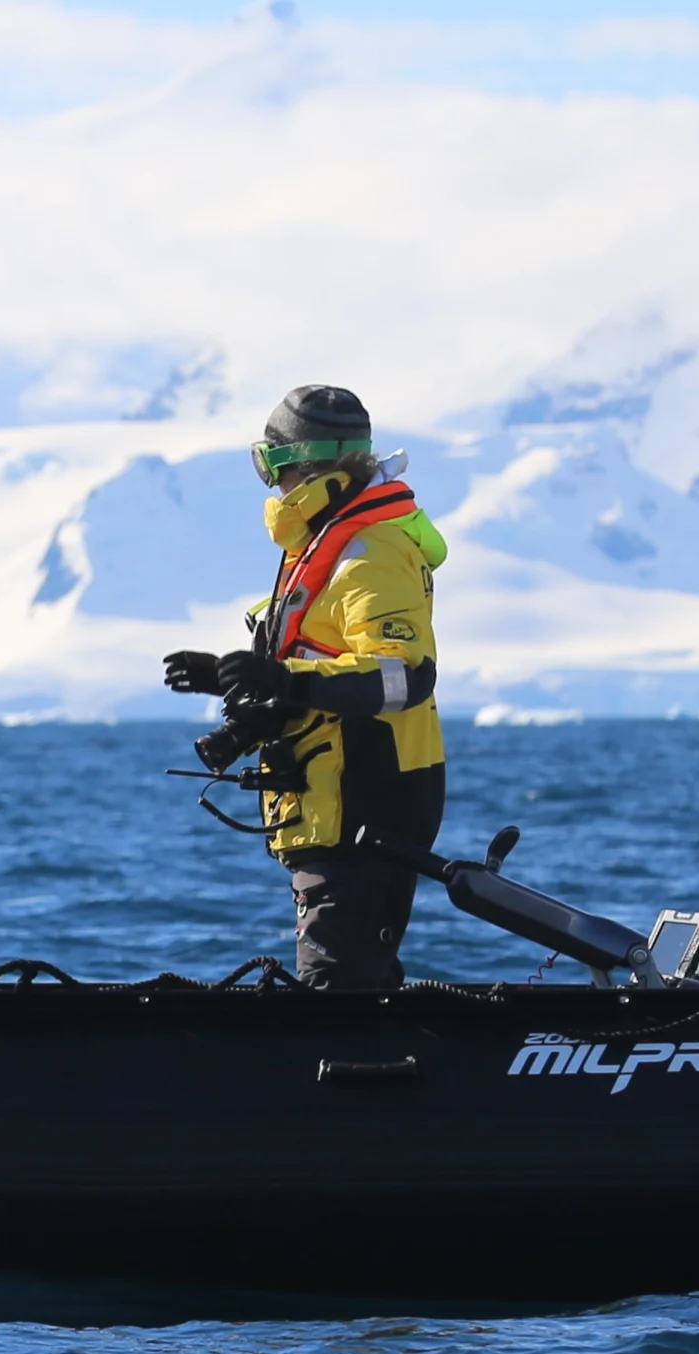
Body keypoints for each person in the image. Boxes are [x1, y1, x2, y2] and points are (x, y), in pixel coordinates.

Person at [163, 385, 448, 990]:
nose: (272, 486)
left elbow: (405, 676)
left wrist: (281, 676)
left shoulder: (370, 554)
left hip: (365, 801)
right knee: (354, 981)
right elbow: (322, 663)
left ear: (308, 465)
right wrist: (232, 676)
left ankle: (357, 1075)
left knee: (339, 991)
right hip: (334, 804)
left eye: (273, 466)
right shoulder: (330, 545)